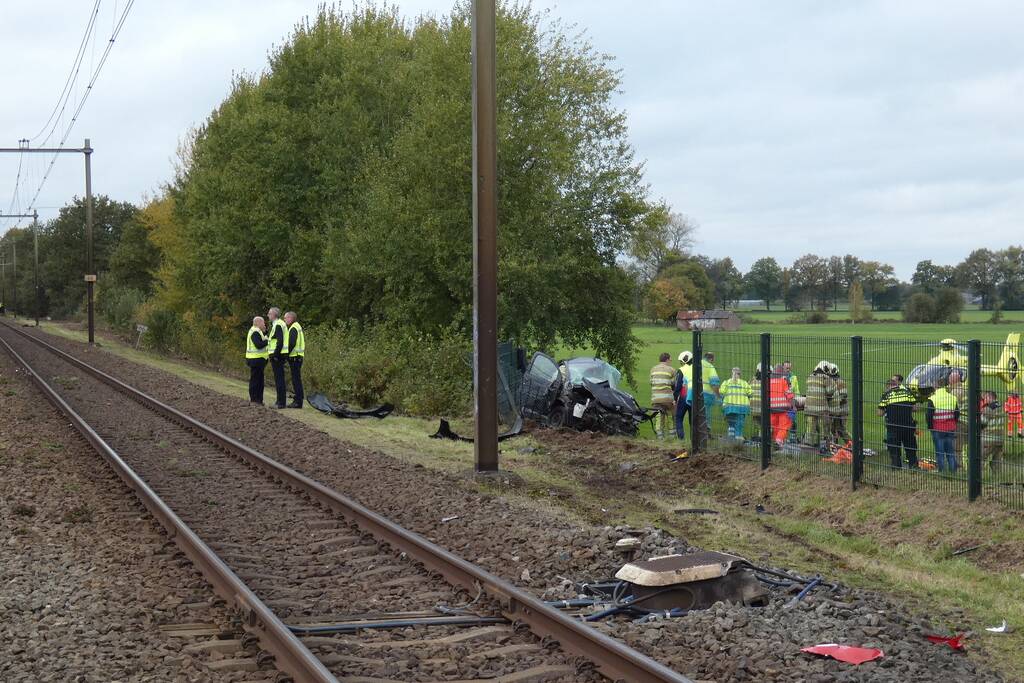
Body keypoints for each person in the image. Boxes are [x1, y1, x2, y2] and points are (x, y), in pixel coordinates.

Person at [877, 374, 918, 469]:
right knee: (910, 448)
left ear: (889, 386)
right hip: (908, 426)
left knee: (894, 449)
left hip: (893, 427)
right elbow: (915, 408)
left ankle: (896, 469)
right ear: (897, 384)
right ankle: (914, 467)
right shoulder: (907, 392)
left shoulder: (886, 395)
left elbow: (879, 413)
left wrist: (889, 409)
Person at [927, 383, 959, 473]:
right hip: (950, 427)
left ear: (935, 387)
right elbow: (957, 413)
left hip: (938, 428)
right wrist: (953, 422)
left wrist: (930, 427)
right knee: (950, 451)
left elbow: (929, 415)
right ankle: (953, 471)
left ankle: (941, 470)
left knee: (939, 451)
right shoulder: (952, 397)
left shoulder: (932, 399)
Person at [802, 362, 833, 449]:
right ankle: (824, 447)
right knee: (824, 427)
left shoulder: (810, 377)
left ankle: (808, 446)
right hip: (821, 407)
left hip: (809, 407)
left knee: (810, 428)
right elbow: (830, 391)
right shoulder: (825, 378)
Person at [266, 306, 290, 408]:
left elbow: (279, 342)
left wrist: (275, 355)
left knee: (279, 379)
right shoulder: (277, 324)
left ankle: (280, 403)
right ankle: (279, 402)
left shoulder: (278, 324)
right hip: (279, 355)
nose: (268, 315)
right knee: (279, 379)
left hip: (278, 356)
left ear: (274, 315)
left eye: (269, 313)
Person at [649, 353, 676, 439]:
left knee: (658, 417)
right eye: (670, 360)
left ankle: (660, 438)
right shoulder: (671, 370)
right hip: (667, 398)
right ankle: (672, 438)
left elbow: (651, 382)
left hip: (656, 398)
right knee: (671, 417)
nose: (671, 361)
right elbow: (674, 383)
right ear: (667, 360)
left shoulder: (653, 369)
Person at [720, 367, 751, 439]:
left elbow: (721, 392)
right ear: (740, 374)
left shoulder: (726, 382)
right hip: (741, 408)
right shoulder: (744, 383)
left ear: (731, 373)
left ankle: (731, 439)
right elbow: (750, 393)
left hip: (729, 407)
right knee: (739, 424)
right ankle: (738, 439)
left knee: (731, 425)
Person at [768, 363, 795, 447]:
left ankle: (774, 442)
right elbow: (789, 394)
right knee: (784, 426)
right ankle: (779, 441)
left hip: (771, 408)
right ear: (781, 371)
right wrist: (793, 405)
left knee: (775, 426)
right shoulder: (784, 380)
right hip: (783, 408)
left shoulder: (768, 381)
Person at [244, 316, 269, 404]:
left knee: (259, 380)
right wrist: (268, 341)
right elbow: (258, 345)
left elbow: (262, 339)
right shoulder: (255, 332)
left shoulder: (258, 331)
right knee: (255, 380)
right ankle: (254, 399)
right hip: (255, 359)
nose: (264, 324)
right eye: (263, 323)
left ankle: (259, 400)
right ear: (258, 323)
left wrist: (265, 332)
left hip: (258, 359)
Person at [284, 310, 305, 409]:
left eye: (286, 318)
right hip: (298, 357)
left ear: (291, 318)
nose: (284, 320)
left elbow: (291, 343)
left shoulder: (293, 328)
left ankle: (298, 402)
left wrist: (285, 354)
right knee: (297, 379)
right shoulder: (297, 326)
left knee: (296, 380)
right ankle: (299, 399)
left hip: (295, 357)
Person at [980, 390, 1004, 472]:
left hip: (989, 439)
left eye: (985, 397)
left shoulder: (988, 409)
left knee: (981, 458)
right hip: (1000, 438)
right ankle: (998, 477)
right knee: (997, 460)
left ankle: (980, 476)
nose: (984, 400)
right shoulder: (1001, 407)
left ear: (990, 397)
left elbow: (982, 423)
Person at [826, 363, 850, 443]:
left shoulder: (840, 382)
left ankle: (854, 446)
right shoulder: (830, 381)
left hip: (842, 410)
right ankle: (835, 446)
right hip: (835, 409)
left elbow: (844, 396)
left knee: (841, 430)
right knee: (833, 429)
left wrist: (833, 400)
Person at [673, 351, 693, 440]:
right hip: (695, 397)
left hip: (684, 395)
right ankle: (694, 441)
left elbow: (677, 386)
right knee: (693, 420)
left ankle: (681, 439)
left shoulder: (681, 370)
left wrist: (675, 398)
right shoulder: (697, 369)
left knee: (678, 418)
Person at [701, 352, 721, 433]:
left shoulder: (696, 364)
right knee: (706, 414)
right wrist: (718, 396)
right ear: (711, 359)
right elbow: (714, 383)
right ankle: (706, 432)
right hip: (706, 395)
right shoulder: (710, 366)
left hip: (693, 393)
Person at [749, 363, 763, 441]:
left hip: (753, 407)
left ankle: (759, 435)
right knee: (764, 422)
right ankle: (761, 437)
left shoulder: (752, 380)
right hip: (761, 407)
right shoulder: (766, 381)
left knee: (758, 422)